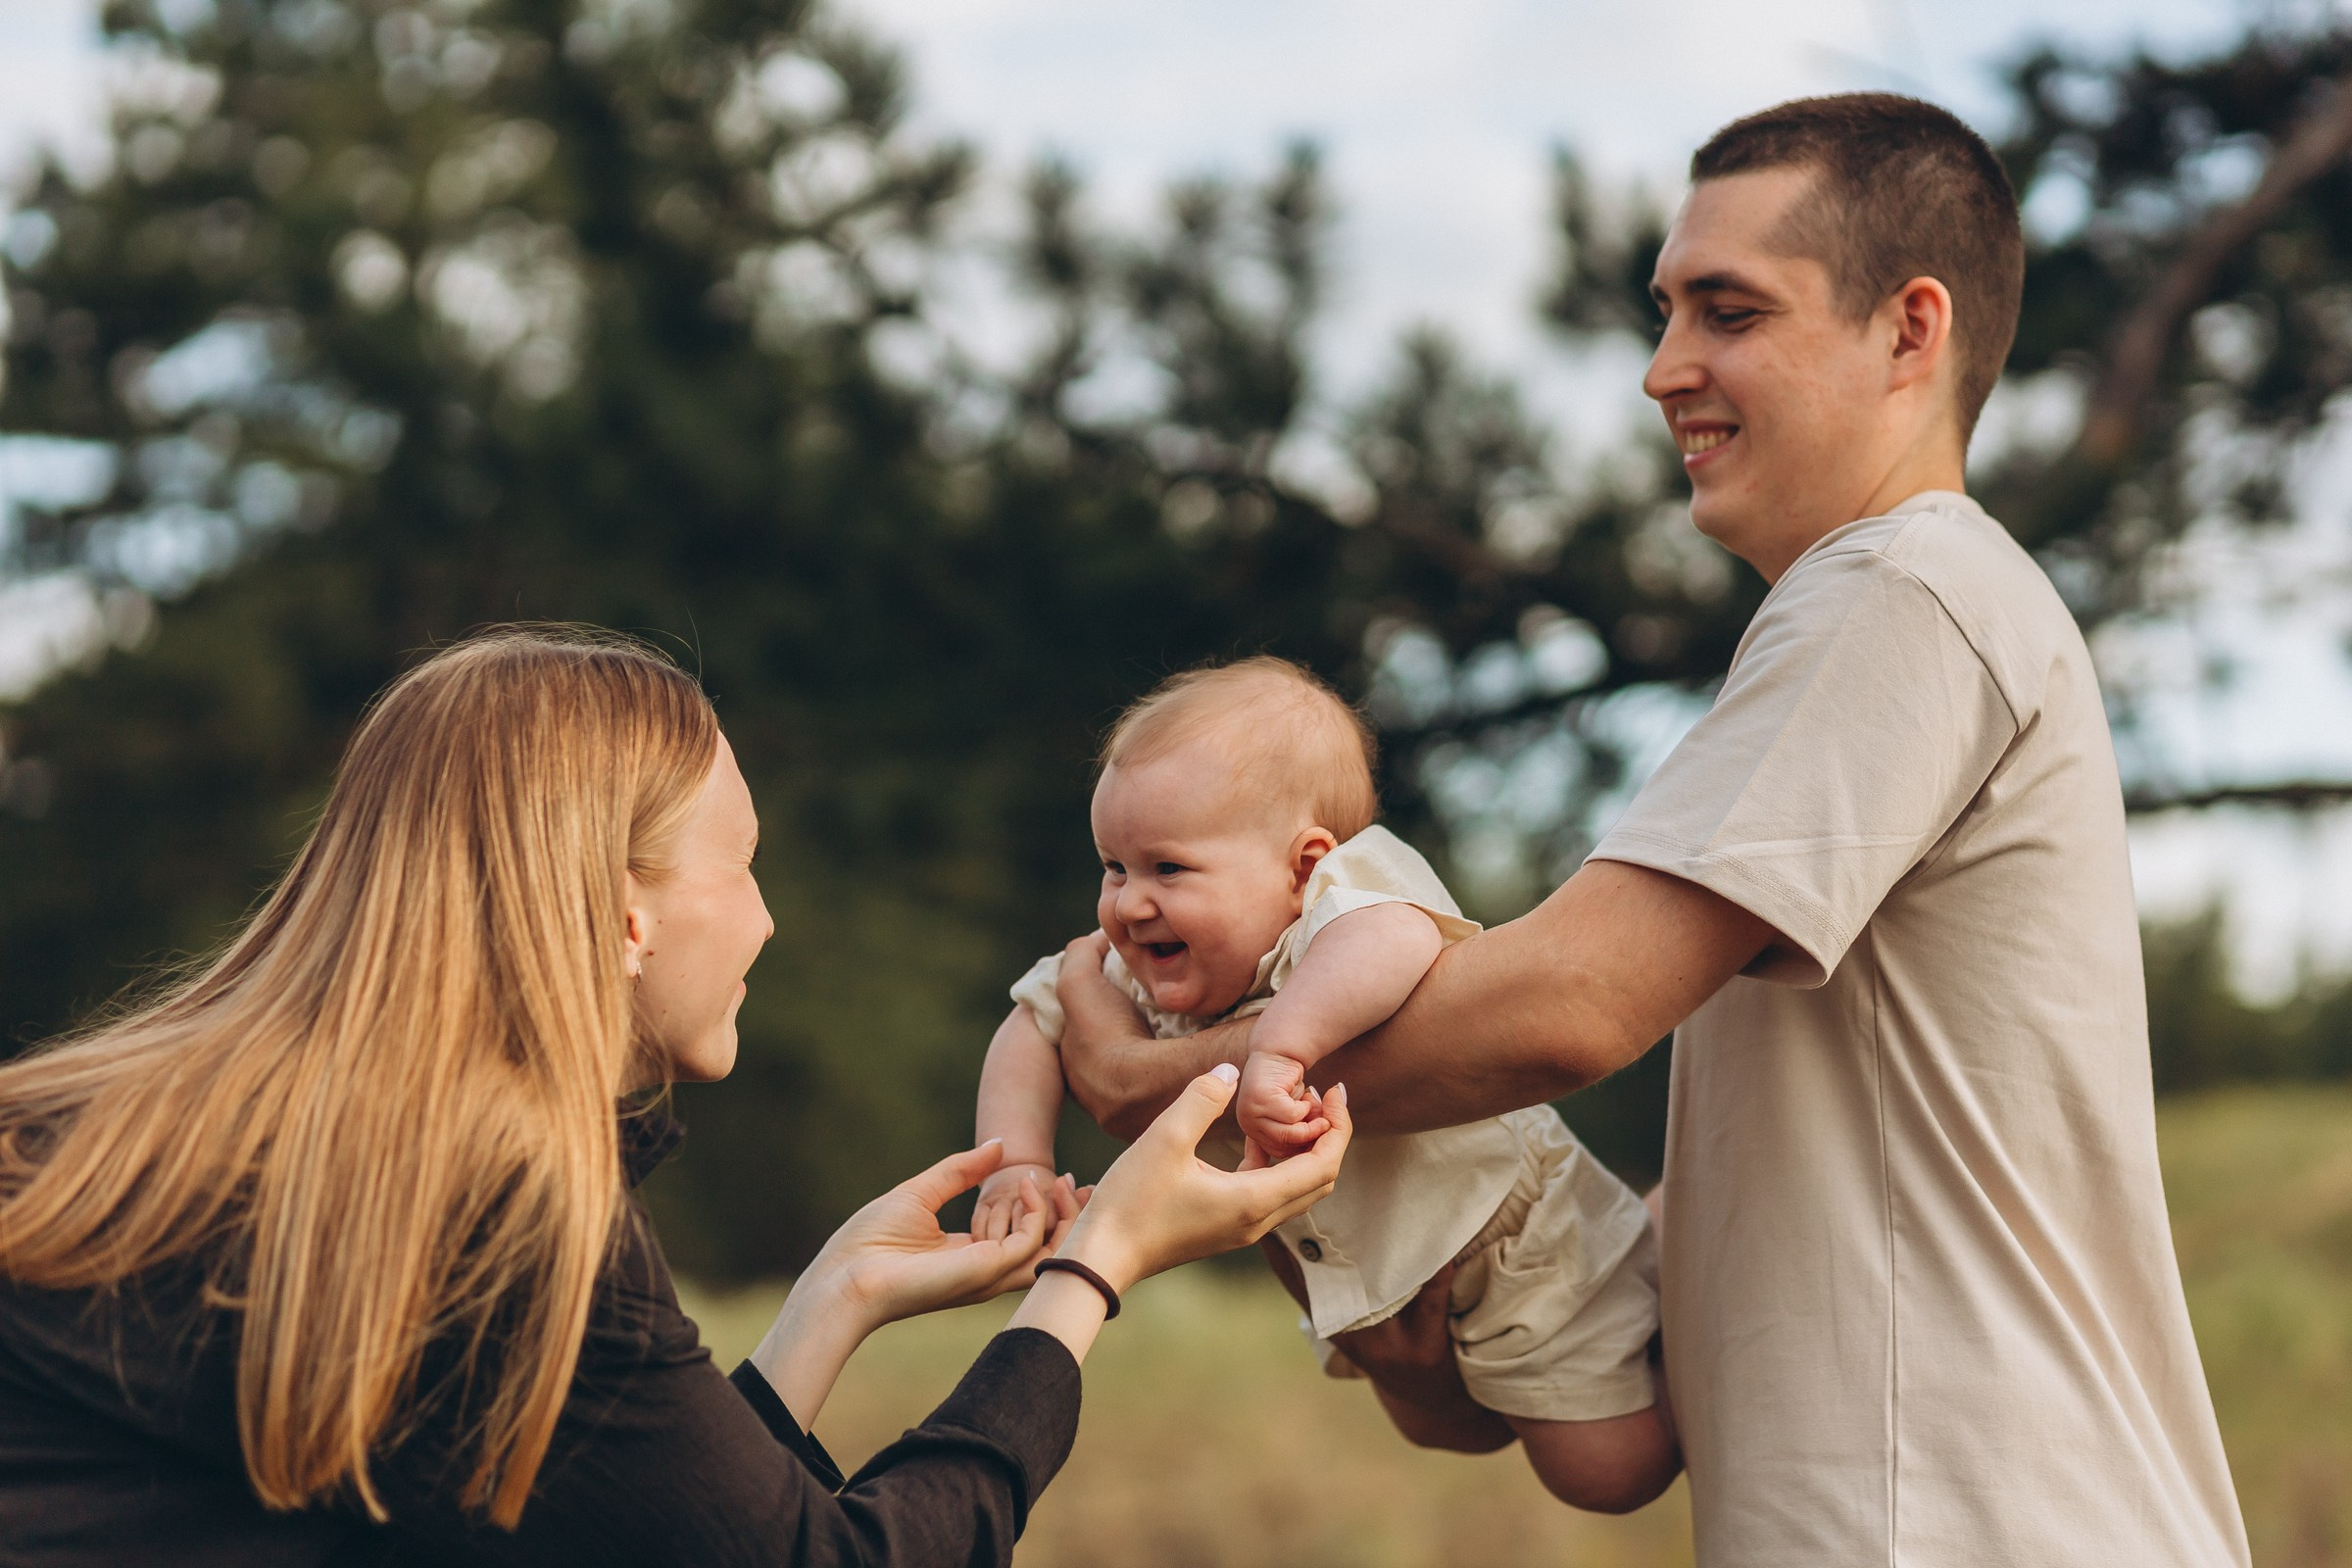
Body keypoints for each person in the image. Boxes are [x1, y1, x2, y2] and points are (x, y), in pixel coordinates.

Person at [1050, 94, 2253, 1567]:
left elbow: (1564, 1006)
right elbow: (1658, 1354)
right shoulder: (1863, 634)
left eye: (1729, 311)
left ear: (1910, 331)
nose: (1663, 368)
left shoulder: (1905, 591)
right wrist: (1443, 1326)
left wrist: (1162, 1081)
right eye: (1668, 310)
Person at [0, 628, 1349, 1567]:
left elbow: (653, 1536)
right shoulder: (488, 1209)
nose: (766, 922)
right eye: (743, 867)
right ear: (626, 915)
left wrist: (838, 1298)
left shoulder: (151, 1135)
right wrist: (1100, 1262)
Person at [969, 658, 1676, 1512]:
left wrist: (1280, 1049)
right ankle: (1676, 1258)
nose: (1128, 904)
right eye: (1114, 867)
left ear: (1302, 867)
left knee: (1608, 1474)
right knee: (1455, 1431)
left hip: (1507, 1233)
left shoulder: (1344, 898)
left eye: (1169, 869)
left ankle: (1691, 1263)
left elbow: (1396, 942)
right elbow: (1030, 1027)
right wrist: (1015, 1162)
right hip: (1377, 1271)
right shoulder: (1127, 969)